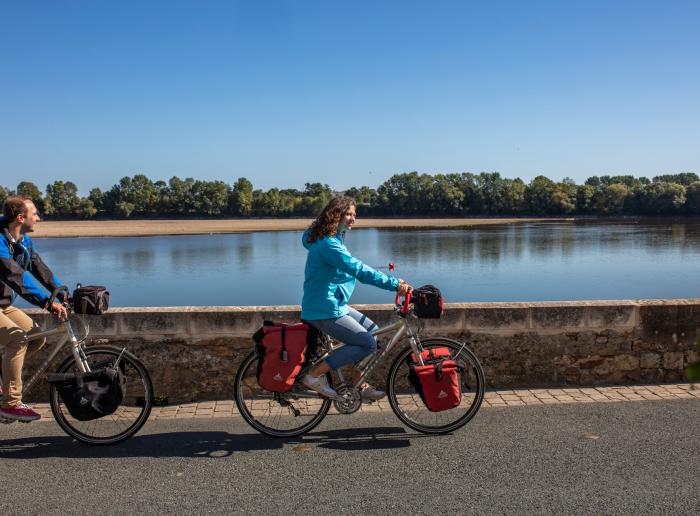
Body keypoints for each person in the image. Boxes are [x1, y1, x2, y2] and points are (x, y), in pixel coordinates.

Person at [300, 196, 412, 399]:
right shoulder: (329, 245)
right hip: (324, 309)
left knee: (374, 333)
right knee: (367, 343)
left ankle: (360, 384)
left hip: (333, 304)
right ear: (337, 215)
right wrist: (395, 284)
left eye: (354, 215)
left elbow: (348, 266)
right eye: (348, 214)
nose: (353, 219)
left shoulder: (328, 238)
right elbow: (359, 270)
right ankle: (313, 376)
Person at [0, 196, 67, 422]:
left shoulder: (24, 241)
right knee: (17, 338)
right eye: (35, 213)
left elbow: (40, 269)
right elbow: (14, 276)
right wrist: (47, 303)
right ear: (20, 218)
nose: (38, 217)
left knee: (36, 337)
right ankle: (10, 404)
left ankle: (3, 380)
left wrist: (63, 293)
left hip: (4, 305)